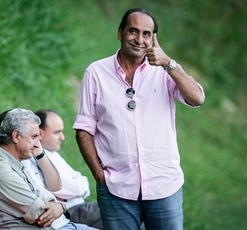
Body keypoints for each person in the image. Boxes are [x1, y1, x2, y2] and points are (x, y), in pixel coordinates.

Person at [73, 8, 205, 230]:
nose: (139, 39)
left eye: (146, 34)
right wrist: (99, 175)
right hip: (116, 187)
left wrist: (168, 63)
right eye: (133, 31)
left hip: (164, 185)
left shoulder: (165, 70)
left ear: (153, 38)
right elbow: (84, 128)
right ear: (120, 33)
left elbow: (197, 98)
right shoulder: (95, 72)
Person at [0, 108, 96, 230]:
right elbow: (42, 214)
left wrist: (59, 207)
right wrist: (61, 207)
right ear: (16, 136)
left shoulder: (13, 162)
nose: (38, 144)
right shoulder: (2, 172)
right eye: (34, 137)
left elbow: (43, 194)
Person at [22, 109, 103, 229]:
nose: (62, 137)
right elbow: (74, 188)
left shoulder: (53, 154)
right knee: (118, 208)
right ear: (39, 133)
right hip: (70, 211)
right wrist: (79, 186)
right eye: (57, 132)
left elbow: (82, 183)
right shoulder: (38, 158)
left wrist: (80, 186)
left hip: (77, 207)